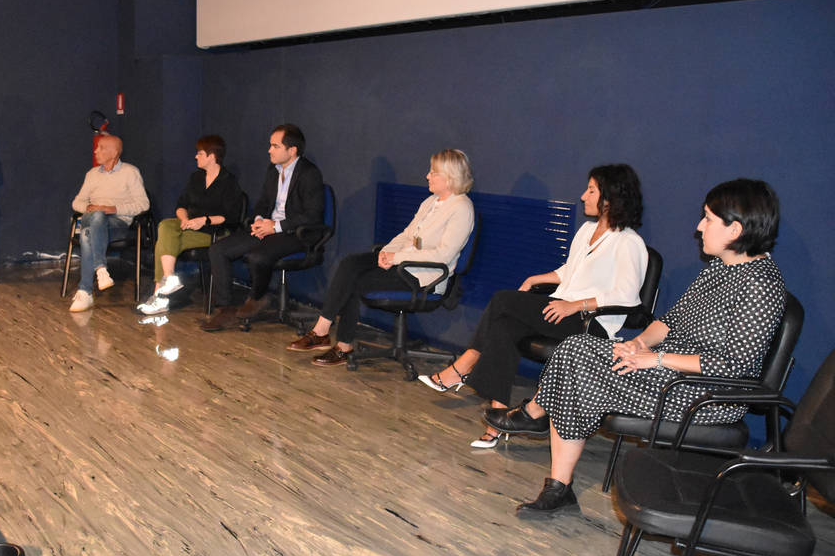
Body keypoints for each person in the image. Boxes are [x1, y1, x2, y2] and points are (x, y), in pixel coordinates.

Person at [488, 179, 786, 515]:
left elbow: (733, 367)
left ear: (735, 229)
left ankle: (538, 423)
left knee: (576, 359)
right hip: (669, 371)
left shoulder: (761, 285)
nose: (699, 227)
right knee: (575, 348)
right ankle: (555, 476)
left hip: (705, 394)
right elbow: (669, 322)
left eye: (707, 218)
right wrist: (637, 343)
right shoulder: (720, 268)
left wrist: (655, 359)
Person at [422, 165, 648, 450]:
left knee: (503, 300)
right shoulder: (587, 230)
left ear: (610, 197)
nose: (583, 196)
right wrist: (536, 279)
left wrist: (575, 305)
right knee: (504, 327)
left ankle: (465, 364)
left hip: (590, 322)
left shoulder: (629, 242)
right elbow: (570, 271)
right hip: (562, 309)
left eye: (591, 190)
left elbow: (628, 297)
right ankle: (498, 419)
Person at [286, 150, 475, 366]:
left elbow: (444, 255)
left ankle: (340, 344)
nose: (427, 176)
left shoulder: (461, 208)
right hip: (404, 264)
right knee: (350, 263)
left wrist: (396, 258)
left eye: (433, 172)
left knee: (356, 281)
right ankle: (322, 330)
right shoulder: (431, 202)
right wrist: (386, 252)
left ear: (449, 177)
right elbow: (407, 235)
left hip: (424, 277)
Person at [201, 123, 325, 332]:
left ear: (292, 150)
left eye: (275, 146)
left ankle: (257, 298)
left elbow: (312, 215)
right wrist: (258, 220)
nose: (269, 150)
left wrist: (276, 226)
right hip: (267, 227)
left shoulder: (309, 173)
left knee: (257, 256)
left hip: (294, 233)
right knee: (218, 249)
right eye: (270, 145)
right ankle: (225, 309)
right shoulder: (273, 170)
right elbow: (263, 202)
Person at [137, 135, 243, 316]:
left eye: (200, 153)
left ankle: (159, 296)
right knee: (166, 226)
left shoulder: (229, 182)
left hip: (213, 231)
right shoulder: (196, 177)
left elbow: (231, 217)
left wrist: (204, 220)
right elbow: (181, 205)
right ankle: (168, 278)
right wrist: (184, 219)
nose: (196, 157)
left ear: (212, 156)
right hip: (189, 225)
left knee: (164, 242)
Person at [68, 134, 150, 312]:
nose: (96, 151)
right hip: (91, 217)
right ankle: (101, 269)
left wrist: (113, 209)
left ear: (114, 152)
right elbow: (77, 202)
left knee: (86, 234)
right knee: (97, 216)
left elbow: (143, 204)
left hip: (117, 222)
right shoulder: (92, 174)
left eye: (101, 148)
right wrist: (89, 207)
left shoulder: (130, 172)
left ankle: (85, 292)